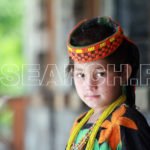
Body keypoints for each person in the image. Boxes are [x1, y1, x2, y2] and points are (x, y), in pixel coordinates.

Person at [65, 16, 150, 150]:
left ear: (123, 73)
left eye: (100, 74)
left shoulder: (125, 122)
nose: (89, 85)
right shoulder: (80, 123)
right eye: (81, 75)